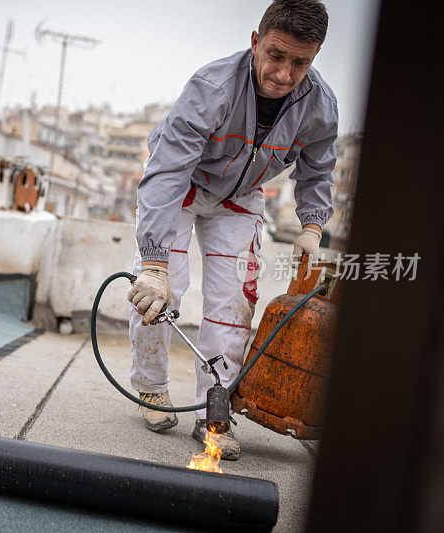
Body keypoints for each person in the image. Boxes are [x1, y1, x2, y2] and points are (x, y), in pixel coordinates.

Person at [127, 0, 336, 460]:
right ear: (256, 41)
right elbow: (166, 171)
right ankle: (151, 389)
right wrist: (155, 261)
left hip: (240, 197)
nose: (284, 73)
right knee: (163, 291)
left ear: (314, 58)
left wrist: (312, 225)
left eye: (300, 62)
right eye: (276, 55)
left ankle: (213, 411)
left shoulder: (320, 107)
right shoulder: (213, 86)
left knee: (233, 303)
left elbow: (318, 171)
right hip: (185, 182)